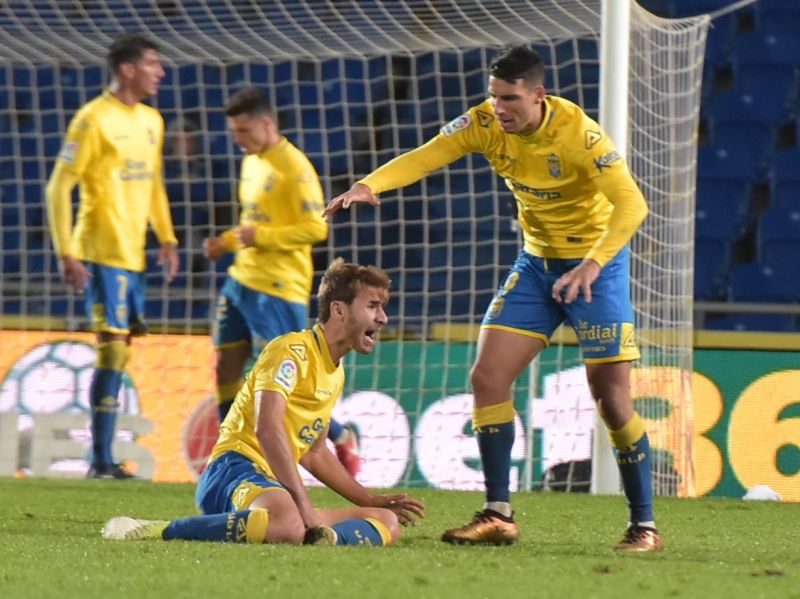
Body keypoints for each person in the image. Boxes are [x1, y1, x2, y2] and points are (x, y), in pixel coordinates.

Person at [325, 46, 659, 552]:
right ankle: (498, 514)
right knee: (487, 377)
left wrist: (592, 263)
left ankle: (644, 526)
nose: (499, 108)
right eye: (494, 96)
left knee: (611, 398)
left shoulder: (580, 135)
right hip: (537, 265)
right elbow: (428, 154)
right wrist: (370, 184)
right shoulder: (483, 123)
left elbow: (632, 204)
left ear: (538, 95)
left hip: (597, 268)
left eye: (510, 99)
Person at [101, 259, 425, 546]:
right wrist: (304, 506)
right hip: (234, 469)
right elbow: (267, 429)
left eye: (382, 308)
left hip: (273, 486)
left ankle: (318, 536)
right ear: (339, 309)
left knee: (386, 522)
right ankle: (159, 529)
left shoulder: (335, 371)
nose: (383, 318)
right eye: (373, 306)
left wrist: (369, 499)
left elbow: (314, 453)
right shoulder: (290, 351)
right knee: (288, 524)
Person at [202, 87, 361, 475]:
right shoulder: (251, 162)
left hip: (278, 287)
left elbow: (316, 227)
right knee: (225, 367)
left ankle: (340, 435)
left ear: (266, 124)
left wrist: (263, 237)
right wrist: (225, 243)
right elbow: (251, 222)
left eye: (243, 131)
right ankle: (229, 456)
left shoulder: (295, 168)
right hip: (240, 280)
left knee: (286, 382)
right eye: (234, 132)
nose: (238, 139)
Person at [45, 33, 179, 480]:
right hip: (100, 252)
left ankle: (103, 458)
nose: (160, 72)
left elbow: (153, 182)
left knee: (119, 351)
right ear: (127, 69)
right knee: (113, 350)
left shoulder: (152, 120)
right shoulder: (92, 119)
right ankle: (100, 460)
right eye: (153, 64)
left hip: (133, 255)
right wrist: (66, 251)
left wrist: (167, 237)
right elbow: (58, 186)